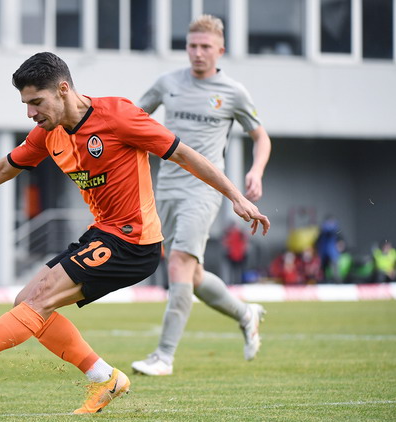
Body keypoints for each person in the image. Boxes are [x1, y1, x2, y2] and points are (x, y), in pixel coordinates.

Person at [0, 52, 269, 414]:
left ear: (63, 89)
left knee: (39, 299)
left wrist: (236, 197)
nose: (30, 113)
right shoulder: (47, 134)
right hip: (102, 235)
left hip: (133, 241)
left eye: (36, 102)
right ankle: (105, 378)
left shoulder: (119, 115)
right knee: (26, 301)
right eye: (26, 104)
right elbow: (3, 169)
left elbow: (185, 155)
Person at [131, 15, 273, 377]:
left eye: (205, 47)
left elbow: (261, 137)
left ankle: (163, 356)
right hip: (166, 188)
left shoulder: (233, 92)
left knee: (179, 262)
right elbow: (132, 121)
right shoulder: (167, 83)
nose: (198, 52)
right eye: (192, 46)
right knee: (191, 275)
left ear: (220, 50)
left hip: (205, 189)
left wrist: (255, 171)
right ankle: (245, 313)